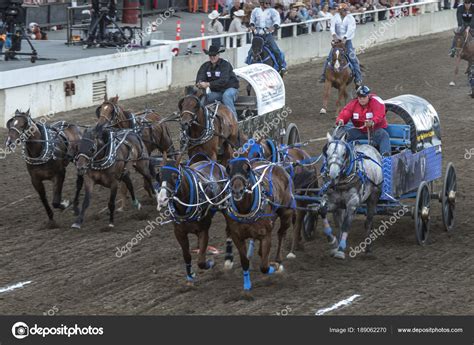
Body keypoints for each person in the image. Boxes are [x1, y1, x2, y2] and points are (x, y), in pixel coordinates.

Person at [335, 85, 390, 156]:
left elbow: (379, 114)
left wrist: (372, 121)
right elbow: (346, 112)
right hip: (359, 131)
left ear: (368, 96)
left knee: (384, 136)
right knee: (344, 136)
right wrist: (341, 120)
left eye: (364, 97)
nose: (362, 99)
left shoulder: (376, 101)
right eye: (360, 97)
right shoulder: (353, 104)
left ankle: (386, 158)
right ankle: (338, 156)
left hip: (375, 130)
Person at [319, 2, 363, 87]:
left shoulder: (350, 18)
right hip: (337, 41)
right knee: (329, 58)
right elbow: (332, 28)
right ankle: (324, 76)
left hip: (347, 41)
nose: (345, 11)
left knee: (353, 58)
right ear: (340, 11)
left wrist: (345, 38)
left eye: (345, 10)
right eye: (343, 10)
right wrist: (334, 36)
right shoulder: (335, 17)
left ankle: (358, 78)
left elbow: (351, 29)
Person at [195, 45, 240, 119]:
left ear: (218, 55)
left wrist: (208, 84)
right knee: (205, 98)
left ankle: (233, 120)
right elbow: (200, 77)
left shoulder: (225, 65)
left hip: (231, 89)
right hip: (217, 93)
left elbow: (224, 80)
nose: (212, 57)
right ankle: (202, 119)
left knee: (226, 96)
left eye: (214, 55)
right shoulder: (205, 66)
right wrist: (199, 83)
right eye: (210, 55)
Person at [250, 0, 287, 73]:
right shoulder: (255, 10)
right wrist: (252, 26)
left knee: (275, 49)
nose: (268, 5)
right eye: (266, 3)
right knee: (251, 52)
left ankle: (282, 66)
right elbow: (252, 20)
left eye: (268, 3)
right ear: (261, 3)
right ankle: (249, 65)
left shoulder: (273, 11)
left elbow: (277, 21)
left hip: (267, 34)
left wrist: (273, 27)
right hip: (257, 34)